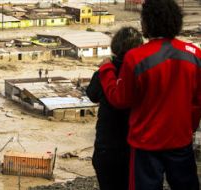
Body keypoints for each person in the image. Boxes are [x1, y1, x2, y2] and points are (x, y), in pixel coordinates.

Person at [99, 0, 201, 189]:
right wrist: (189, 128)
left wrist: (106, 70)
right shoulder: (195, 54)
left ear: (147, 23)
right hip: (180, 141)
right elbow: (197, 102)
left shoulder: (136, 58)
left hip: (146, 144)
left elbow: (120, 99)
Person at [86, 27, 143, 190]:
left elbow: (92, 94)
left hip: (107, 146)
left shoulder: (104, 72)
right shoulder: (143, 71)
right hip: (135, 147)